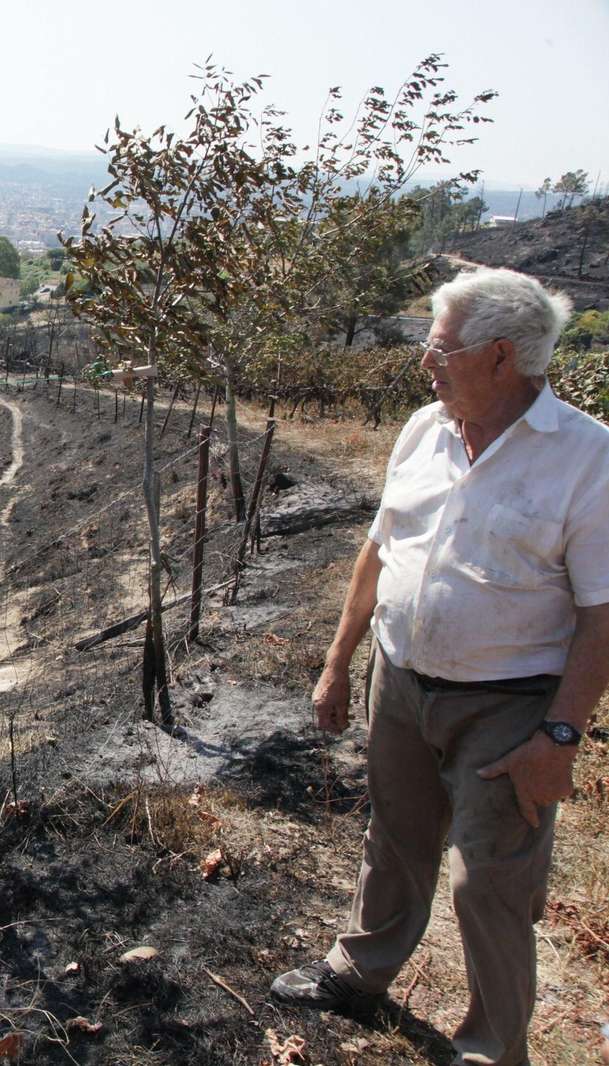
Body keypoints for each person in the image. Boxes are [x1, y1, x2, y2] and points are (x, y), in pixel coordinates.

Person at [270, 267, 609, 1066]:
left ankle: (493, 1048)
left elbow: (601, 614)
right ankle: (358, 972)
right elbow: (381, 549)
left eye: (439, 345)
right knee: (393, 838)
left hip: (510, 704)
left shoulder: (588, 459)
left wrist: (560, 735)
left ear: (501, 356)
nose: (425, 359)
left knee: (489, 880)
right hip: (403, 678)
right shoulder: (425, 427)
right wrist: (338, 661)